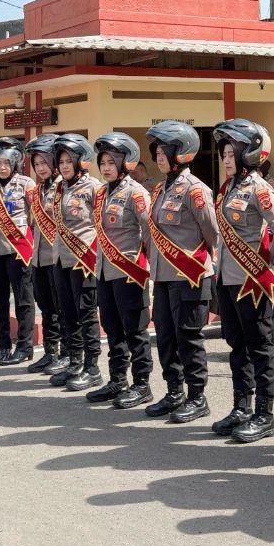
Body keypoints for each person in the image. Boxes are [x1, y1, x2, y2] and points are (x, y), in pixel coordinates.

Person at [211, 118, 274, 443]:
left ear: (249, 152)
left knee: (260, 347)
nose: (227, 159)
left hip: (252, 283)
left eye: (232, 152)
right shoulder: (227, 189)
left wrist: (263, 261)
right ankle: (241, 407)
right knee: (236, 346)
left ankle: (264, 414)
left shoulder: (259, 188)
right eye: (224, 153)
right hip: (227, 280)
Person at [143, 121, 219, 423]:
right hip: (162, 277)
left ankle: (197, 396)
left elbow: (213, 234)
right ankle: (174, 392)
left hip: (189, 278)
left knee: (189, 339)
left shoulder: (196, 191)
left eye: (165, 151)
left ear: (182, 153)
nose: (159, 157)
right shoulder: (161, 188)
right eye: (157, 152)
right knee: (165, 337)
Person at [85, 132, 155, 409]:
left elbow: (150, 233)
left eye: (111, 162)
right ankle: (117, 379)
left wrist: (147, 266)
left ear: (125, 162)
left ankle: (142, 384)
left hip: (129, 272)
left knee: (135, 331)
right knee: (112, 328)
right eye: (102, 162)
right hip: (104, 271)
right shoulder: (101, 192)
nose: (105, 167)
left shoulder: (137, 193)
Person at [50, 134, 104, 392]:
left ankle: (92, 367)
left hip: (84, 259)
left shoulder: (94, 187)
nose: (64, 165)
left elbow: (102, 225)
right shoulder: (59, 188)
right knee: (67, 311)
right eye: (60, 161)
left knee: (86, 313)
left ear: (81, 160)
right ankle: (74, 361)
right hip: (60, 257)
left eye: (69, 160)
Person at [0, 137, 38, 366]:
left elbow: (34, 217)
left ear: (15, 163)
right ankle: (3, 347)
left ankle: (24, 346)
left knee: (24, 300)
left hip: (18, 249)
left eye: (6, 163)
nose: (2, 167)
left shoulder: (27, 185)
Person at [25, 134, 66, 376]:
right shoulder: (38, 189)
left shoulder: (64, 186)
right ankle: (51, 351)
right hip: (39, 256)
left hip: (59, 257)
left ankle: (66, 354)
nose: (40, 168)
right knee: (46, 306)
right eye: (36, 164)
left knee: (62, 307)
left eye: (44, 163)